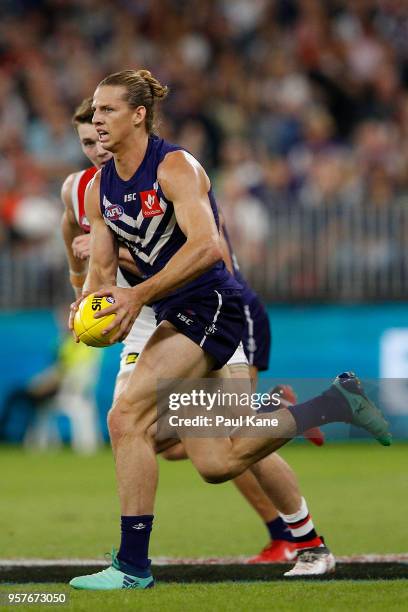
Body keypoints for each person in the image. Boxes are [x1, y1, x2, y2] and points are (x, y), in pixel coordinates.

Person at [68, 70, 390, 590]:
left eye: (107, 111)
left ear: (138, 115)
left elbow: (207, 248)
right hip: (176, 310)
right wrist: (88, 304)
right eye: (94, 113)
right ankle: (333, 403)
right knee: (216, 463)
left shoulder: (174, 166)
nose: (97, 121)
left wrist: (136, 296)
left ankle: (131, 567)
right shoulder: (98, 190)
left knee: (126, 418)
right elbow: (103, 274)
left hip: (210, 303)